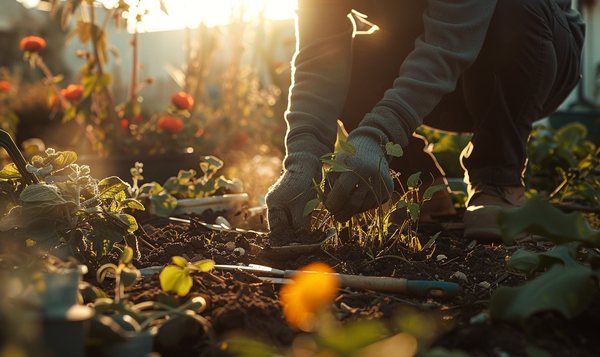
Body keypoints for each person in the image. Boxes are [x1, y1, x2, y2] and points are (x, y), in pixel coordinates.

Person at [265, 0, 585, 242]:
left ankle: (499, 179)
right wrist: (303, 160)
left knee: (513, 7)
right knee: (353, 64)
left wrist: (377, 135)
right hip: (434, 64)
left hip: (536, 52)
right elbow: (320, 55)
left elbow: (447, 45)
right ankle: (420, 186)